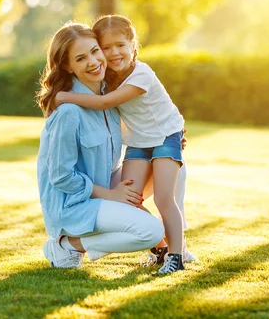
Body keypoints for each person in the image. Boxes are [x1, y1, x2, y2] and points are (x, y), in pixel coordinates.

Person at [55, 15, 189, 274]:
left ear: (132, 45)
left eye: (120, 45)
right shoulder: (107, 77)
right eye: (106, 47)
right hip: (140, 142)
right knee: (129, 198)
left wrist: (63, 97)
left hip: (164, 137)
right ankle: (160, 249)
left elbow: (107, 103)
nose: (114, 53)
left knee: (163, 198)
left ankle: (177, 256)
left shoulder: (142, 74)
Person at [36, 21, 165, 269]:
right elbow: (61, 176)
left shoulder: (109, 98)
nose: (93, 62)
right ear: (68, 66)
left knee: (168, 165)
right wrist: (112, 195)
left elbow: (137, 130)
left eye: (95, 51)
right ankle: (68, 245)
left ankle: (165, 247)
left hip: (105, 188)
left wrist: (168, 136)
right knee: (149, 231)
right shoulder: (68, 112)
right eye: (81, 58)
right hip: (73, 206)